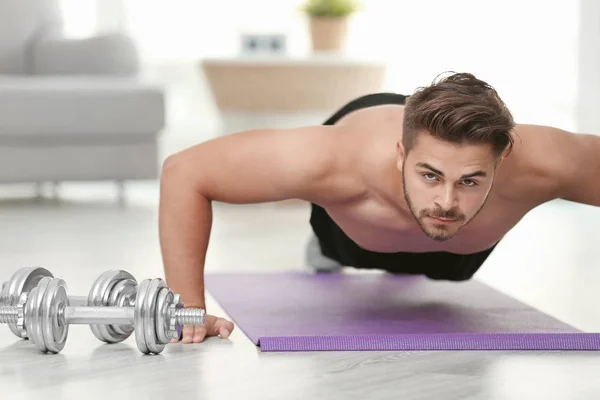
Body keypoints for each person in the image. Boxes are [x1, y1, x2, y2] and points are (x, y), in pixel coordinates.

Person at [159, 72, 600, 344]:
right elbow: (185, 172)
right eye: (429, 174)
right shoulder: (333, 161)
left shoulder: (547, 163)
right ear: (400, 156)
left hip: (462, 251)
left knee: (450, 265)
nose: (446, 201)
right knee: (336, 249)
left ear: (500, 162)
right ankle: (324, 248)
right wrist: (188, 310)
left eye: (469, 180)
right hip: (354, 230)